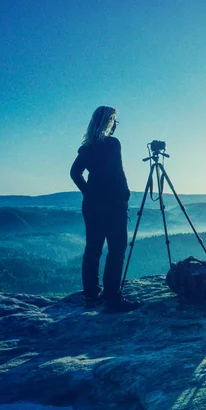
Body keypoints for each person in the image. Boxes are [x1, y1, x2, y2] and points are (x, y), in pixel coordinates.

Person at [70, 106, 140, 312]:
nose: (116, 125)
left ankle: (91, 294)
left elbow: (75, 173)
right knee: (117, 249)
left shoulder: (87, 148)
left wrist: (88, 192)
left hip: (92, 206)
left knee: (93, 248)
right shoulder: (112, 144)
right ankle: (112, 297)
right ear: (109, 123)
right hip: (113, 205)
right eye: (114, 121)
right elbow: (118, 173)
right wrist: (124, 195)